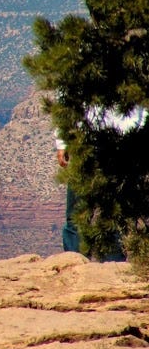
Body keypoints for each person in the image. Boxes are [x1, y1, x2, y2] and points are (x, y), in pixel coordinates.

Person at [54, 104, 147, 258]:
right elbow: (65, 101)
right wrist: (62, 142)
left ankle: (112, 264)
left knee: (113, 214)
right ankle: (74, 262)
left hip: (122, 144)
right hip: (84, 143)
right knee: (77, 215)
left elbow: (142, 103)